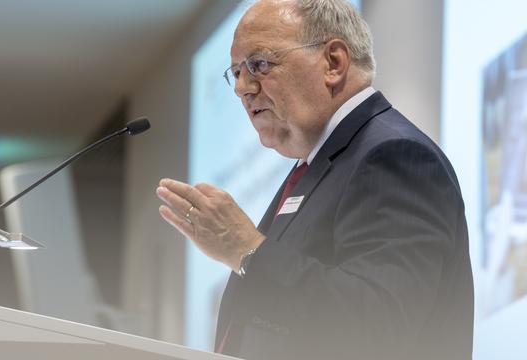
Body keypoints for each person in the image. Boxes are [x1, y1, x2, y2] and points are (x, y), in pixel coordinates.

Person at [156, 0, 474, 359]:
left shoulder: (393, 155)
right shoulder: (318, 167)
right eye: (236, 72)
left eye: (259, 64)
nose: (241, 87)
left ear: (334, 63)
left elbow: (378, 326)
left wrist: (247, 250)